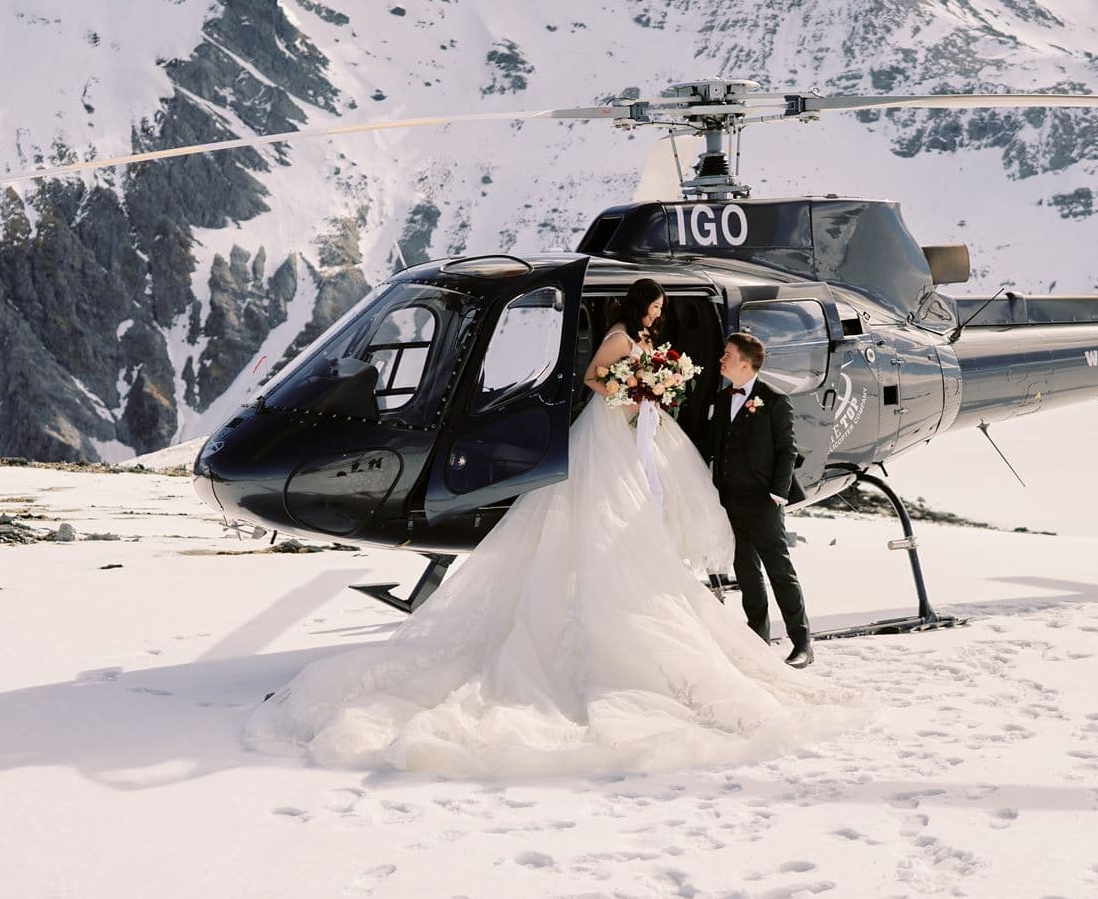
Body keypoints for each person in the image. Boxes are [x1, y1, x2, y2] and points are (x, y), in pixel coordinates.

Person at [246, 277, 871, 777]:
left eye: (659, 310)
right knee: (600, 513)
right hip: (610, 430)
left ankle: (787, 630)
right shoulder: (620, 336)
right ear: (637, 307)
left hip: (641, 437)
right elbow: (594, 379)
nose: (656, 317)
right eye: (652, 308)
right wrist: (628, 392)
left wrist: (648, 391)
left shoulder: (709, 370)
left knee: (651, 525)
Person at [705, 332, 813, 667]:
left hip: (764, 501)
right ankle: (757, 640)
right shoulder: (723, 400)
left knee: (780, 571)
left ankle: (802, 644)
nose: (722, 359)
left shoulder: (775, 400)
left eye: (727, 354)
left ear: (746, 362)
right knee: (746, 573)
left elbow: (787, 450)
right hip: (730, 500)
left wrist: (777, 495)